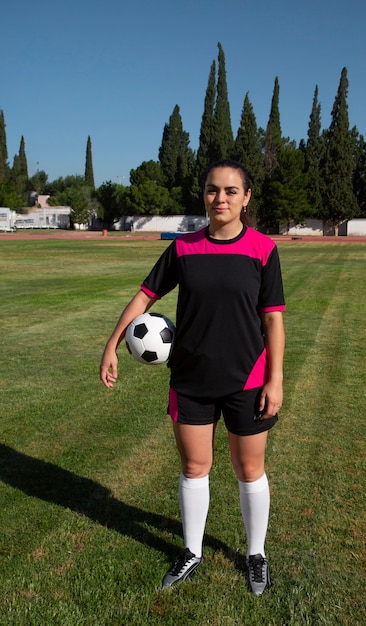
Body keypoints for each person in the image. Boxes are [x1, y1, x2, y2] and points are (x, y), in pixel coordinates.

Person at [100, 159, 285, 595]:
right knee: (194, 467)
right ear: (203, 194)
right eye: (211, 190)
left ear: (246, 197)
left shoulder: (262, 249)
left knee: (249, 469)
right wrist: (111, 345)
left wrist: (275, 380)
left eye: (230, 191)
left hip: (248, 380)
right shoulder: (183, 248)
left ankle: (255, 554)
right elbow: (143, 297)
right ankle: (191, 552)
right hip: (191, 379)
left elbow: (273, 321)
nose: (219, 199)